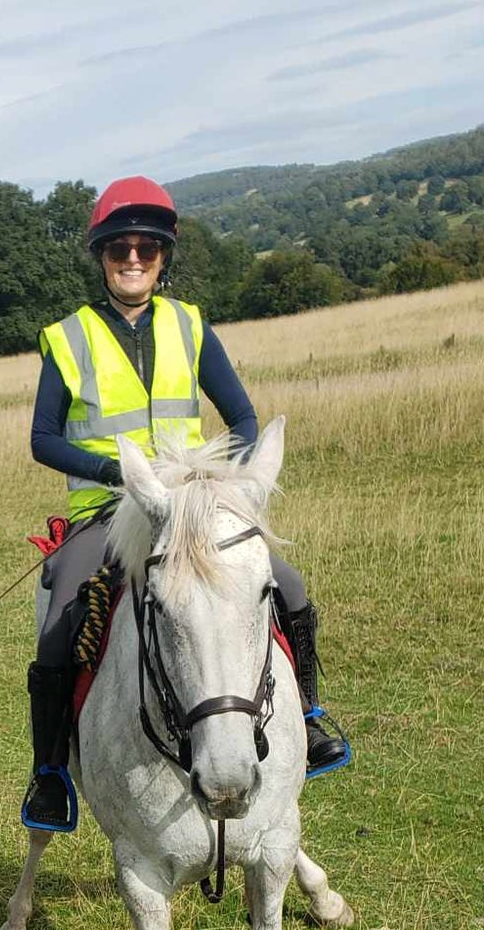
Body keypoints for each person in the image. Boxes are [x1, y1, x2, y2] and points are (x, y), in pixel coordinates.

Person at [21, 176, 350, 831]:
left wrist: (221, 483)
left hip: (193, 507)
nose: (133, 258)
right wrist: (118, 472)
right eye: (119, 248)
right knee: (63, 603)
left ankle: (308, 718)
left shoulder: (190, 326)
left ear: (163, 256)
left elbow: (242, 417)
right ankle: (51, 771)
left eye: (146, 246)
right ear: (101, 257)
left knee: (286, 582)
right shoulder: (68, 337)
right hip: (109, 512)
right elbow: (43, 439)